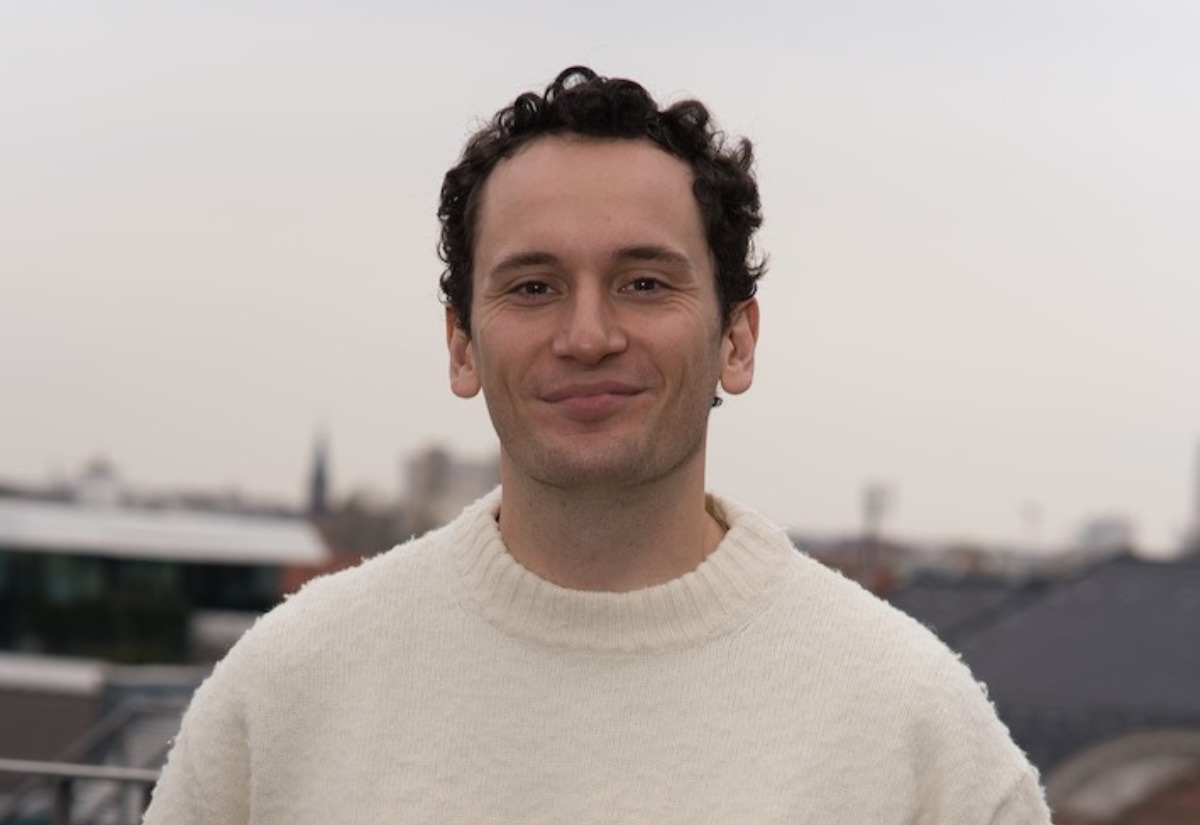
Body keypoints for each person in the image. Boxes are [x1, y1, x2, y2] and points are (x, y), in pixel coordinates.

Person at [143, 67, 1052, 824]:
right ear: (461, 345)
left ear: (737, 340)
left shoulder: (916, 729)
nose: (587, 335)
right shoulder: (286, 690)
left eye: (644, 282)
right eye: (533, 287)